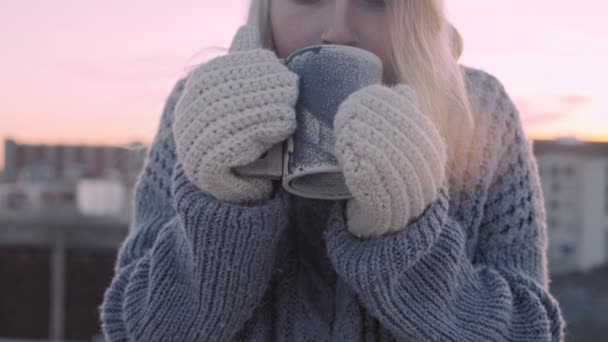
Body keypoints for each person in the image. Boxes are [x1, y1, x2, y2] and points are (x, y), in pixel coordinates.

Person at [100, 0, 565, 341]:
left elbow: (528, 330)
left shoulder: (477, 113)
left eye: (376, 3)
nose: (339, 31)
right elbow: (136, 327)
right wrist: (224, 201)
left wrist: (404, 234)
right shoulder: (203, 106)